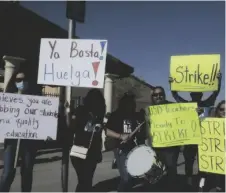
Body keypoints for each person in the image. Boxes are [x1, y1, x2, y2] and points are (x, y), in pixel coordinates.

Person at [169, 73, 222, 188]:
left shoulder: (207, 104)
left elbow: (215, 93)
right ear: (190, 94)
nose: (196, 95)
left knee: (203, 165)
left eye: (198, 93)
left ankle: (201, 185)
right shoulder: (186, 104)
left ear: (201, 94)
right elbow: (175, 95)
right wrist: (172, 83)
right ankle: (189, 184)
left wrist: (219, 80)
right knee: (188, 164)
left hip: (204, 140)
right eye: (193, 93)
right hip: (190, 140)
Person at [0, 71, 40, 192]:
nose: (21, 82)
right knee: (8, 172)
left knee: (27, 171)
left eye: (23, 79)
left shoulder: (36, 99)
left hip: (29, 141)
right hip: (12, 141)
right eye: (18, 80)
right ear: (14, 81)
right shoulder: (8, 98)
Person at [105, 93, 146, 192]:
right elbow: (106, 130)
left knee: (131, 176)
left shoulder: (135, 115)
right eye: (129, 103)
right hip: (120, 148)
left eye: (133, 103)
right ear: (123, 103)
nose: (132, 105)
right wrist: (120, 136)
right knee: (126, 177)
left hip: (132, 149)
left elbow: (141, 133)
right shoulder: (116, 115)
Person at [144, 86, 180, 192]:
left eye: (161, 94)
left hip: (171, 148)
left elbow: (184, 117)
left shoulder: (173, 106)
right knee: (155, 174)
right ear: (152, 97)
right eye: (155, 95)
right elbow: (146, 129)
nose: (158, 96)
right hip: (155, 146)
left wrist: (193, 112)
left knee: (171, 171)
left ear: (164, 95)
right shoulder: (147, 109)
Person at [70, 89, 106, 192]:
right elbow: (72, 127)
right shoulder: (80, 110)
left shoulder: (99, 114)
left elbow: (98, 135)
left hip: (92, 151)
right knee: (84, 180)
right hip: (79, 149)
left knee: (87, 180)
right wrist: (71, 116)